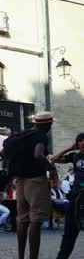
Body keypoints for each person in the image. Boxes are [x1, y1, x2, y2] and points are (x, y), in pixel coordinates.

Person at [6, 111, 53, 259]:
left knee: (22, 219)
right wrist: (51, 168)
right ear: (47, 125)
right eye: (50, 124)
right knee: (36, 220)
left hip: (20, 181)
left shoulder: (23, 134)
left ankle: (21, 257)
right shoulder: (41, 136)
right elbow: (38, 154)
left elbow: (7, 154)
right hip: (36, 182)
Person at [51, 132, 84, 259]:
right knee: (70, 232)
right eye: (80, 140)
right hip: (76, 198)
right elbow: (54, 159)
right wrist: (70, 148)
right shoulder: (74, 156)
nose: (83, 143)